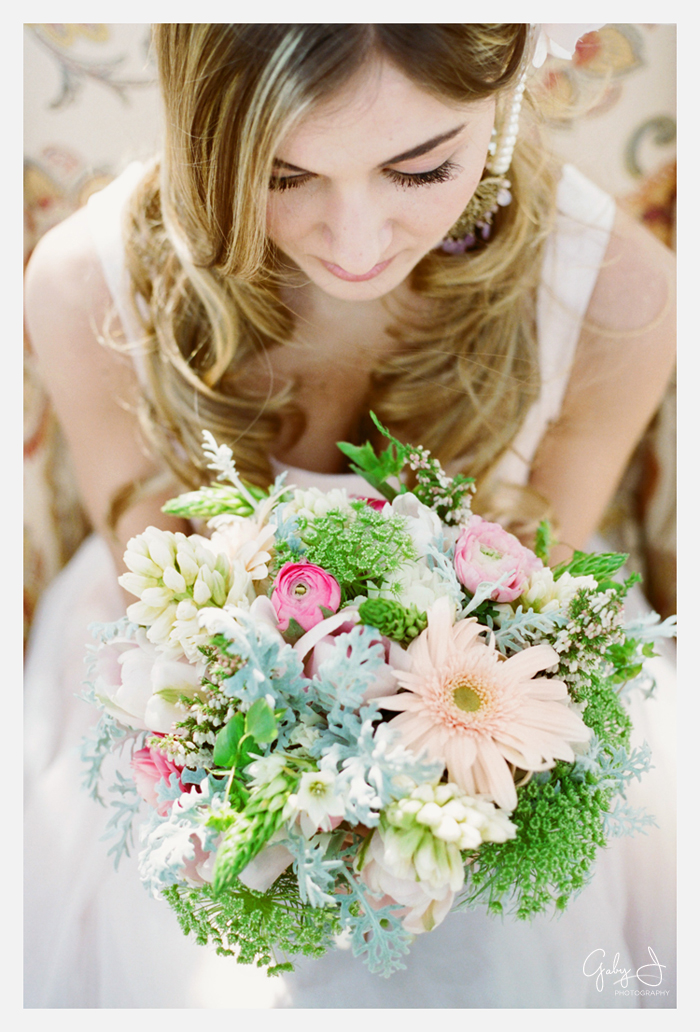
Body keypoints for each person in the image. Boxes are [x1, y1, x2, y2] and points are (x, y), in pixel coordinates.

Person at [23, 24, 676, 1008]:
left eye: (420, 169)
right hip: (187, 669)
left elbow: (533, 565)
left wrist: (414, 788)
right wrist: (278, 758)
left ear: (502, 96)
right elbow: (154, 565)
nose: (356, 240)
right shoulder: (87, 285)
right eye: (283, 175)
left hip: (494, 673)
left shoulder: (616, 295)